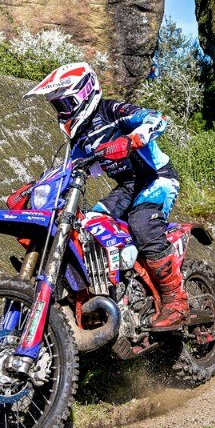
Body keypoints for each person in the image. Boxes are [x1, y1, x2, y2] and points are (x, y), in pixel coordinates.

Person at [25, 63, 189, 330]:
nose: (63, 111)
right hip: (128, 186)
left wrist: (133, 139)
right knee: (91, 225)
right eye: (58, 106)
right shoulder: (79, 136)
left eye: (66, 102)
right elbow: (70, 169)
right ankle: (116, 291)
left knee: (142, 223)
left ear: (85, 93)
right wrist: (38, 188)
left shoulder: (111, 111)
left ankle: (175, 301)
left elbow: (157, 118)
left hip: (156, 178)